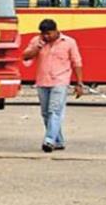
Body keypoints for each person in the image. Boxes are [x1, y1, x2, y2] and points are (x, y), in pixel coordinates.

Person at [22, 19, 84, 152]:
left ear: (56, 31)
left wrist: (79, 83)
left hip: (60, 81)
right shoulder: (36, 41)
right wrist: (37, 47)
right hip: (42, 81)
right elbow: (25, 56)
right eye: (43, 34)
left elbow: (77, 62)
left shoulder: (69, 42)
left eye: (49, 33)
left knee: (54, 111)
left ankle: (49, 140)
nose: (46, 36)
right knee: (45, 113)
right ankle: (58, 141)